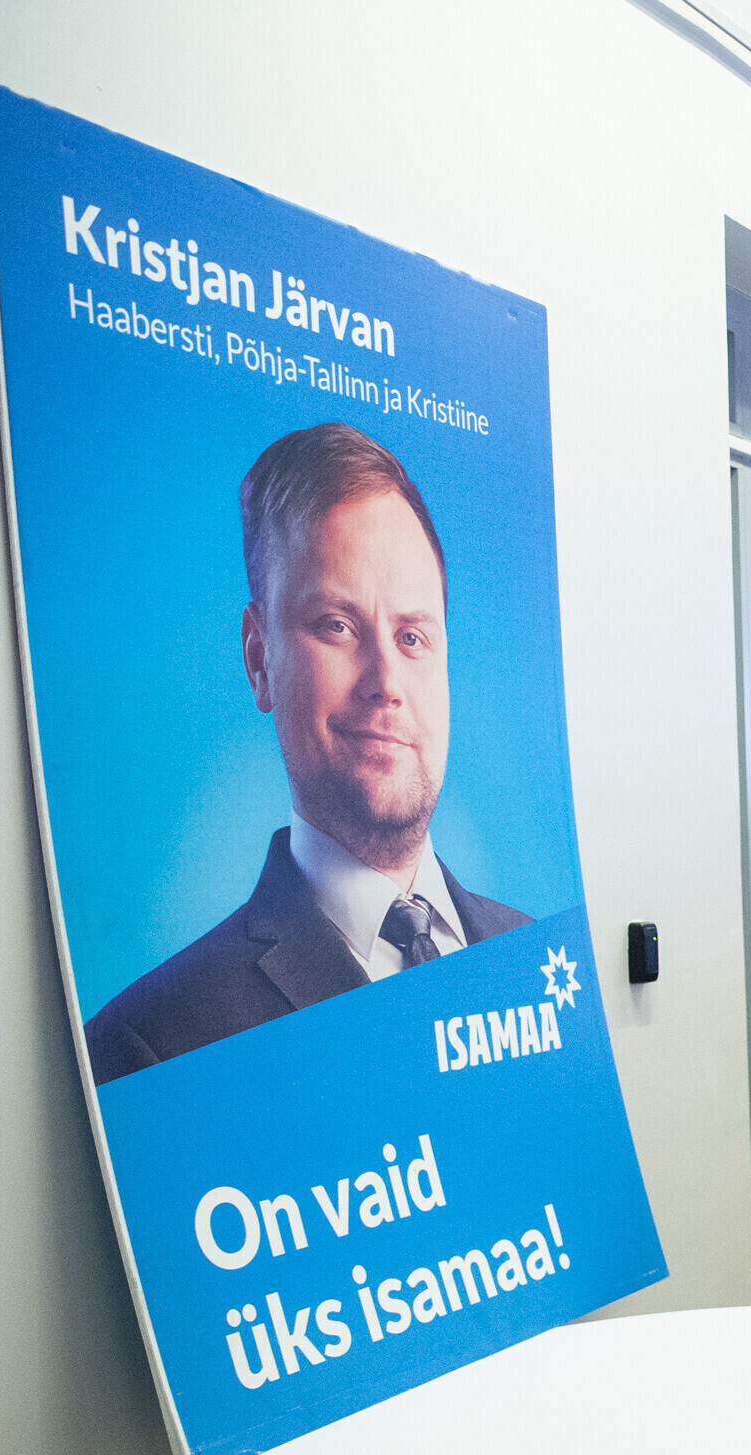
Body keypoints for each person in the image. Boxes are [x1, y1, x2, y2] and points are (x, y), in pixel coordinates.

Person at [86, 422, 527, 1083]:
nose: (386, 682)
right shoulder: (153, 1047)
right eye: (337, 626)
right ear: (259, 659)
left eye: (412, 637)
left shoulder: (535, 960)